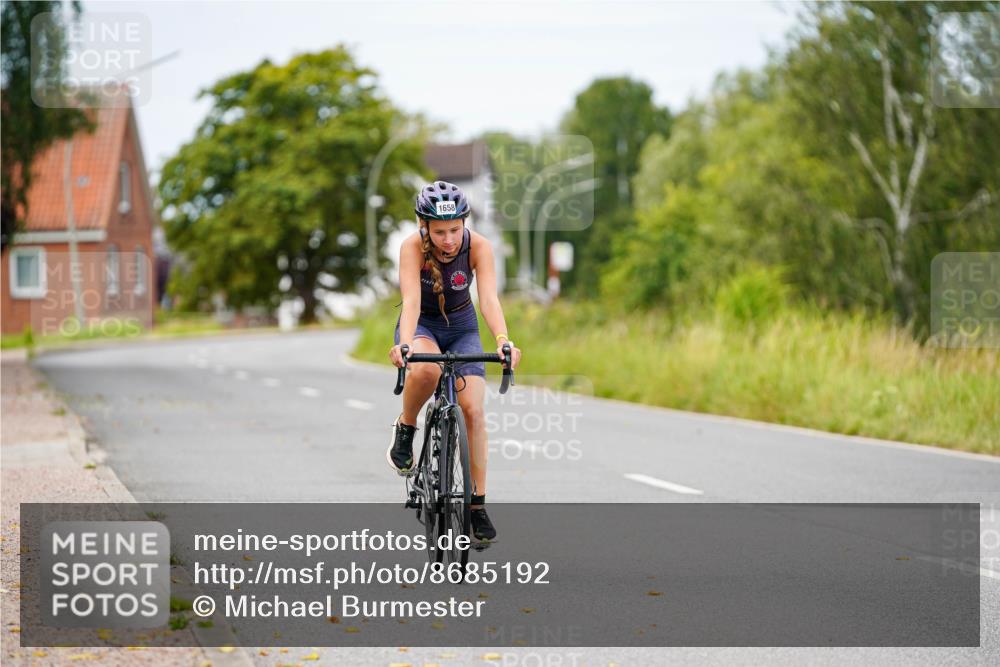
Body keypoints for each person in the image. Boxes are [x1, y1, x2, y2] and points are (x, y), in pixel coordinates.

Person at [388, 180, 522, 542]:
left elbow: (489, 299)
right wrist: (404, 345)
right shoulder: (411, 248)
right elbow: (412, 301)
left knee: (473, 411)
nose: (449, 239)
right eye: (440, 231)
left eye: (455, 229)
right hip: (424, 325)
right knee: (427, 368)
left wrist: (503, 340)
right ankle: (407, 427)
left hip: (462, 326)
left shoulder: (479, 246)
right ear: (424, 227)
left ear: (464, 223)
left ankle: (477, 507)